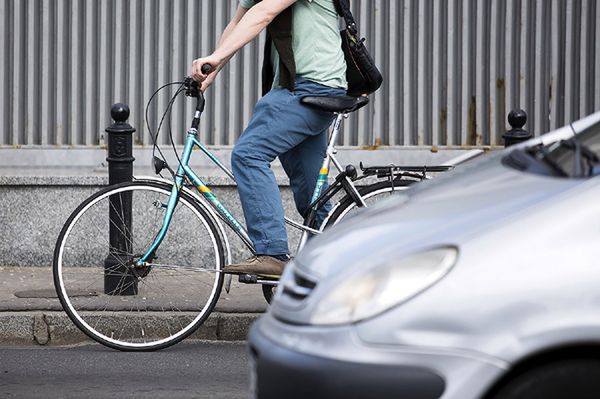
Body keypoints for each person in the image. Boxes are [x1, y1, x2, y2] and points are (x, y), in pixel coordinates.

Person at [191, 0, 347, 277]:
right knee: (312, 193)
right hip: (303, 88)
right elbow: (239, 22)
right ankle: (330, 267)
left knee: (248, 154)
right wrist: (211, 72)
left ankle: (272, 253)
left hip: (311, 87)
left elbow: (264, 13)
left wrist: (215, 59)